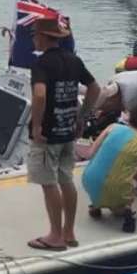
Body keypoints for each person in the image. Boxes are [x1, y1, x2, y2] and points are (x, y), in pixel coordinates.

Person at [27, 18, 100, 252]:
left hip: (48, 134)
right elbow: (95, 88)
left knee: (49, 184)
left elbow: (39, 95)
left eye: (35, 35)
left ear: (43, 37)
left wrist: (37, 126)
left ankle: (55, 236)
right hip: (68, 130)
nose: (33, 39)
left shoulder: (41, 64)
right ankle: (68, 232)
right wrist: (82, 117)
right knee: (66, 180)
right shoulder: (73, 60)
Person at [82, 106, 137, 231]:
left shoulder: (113, 127)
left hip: (88, 180)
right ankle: (126, 209)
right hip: (116, 189)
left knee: (115, 177)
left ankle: (96, 205)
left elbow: (90, 153)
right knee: (121, 199)